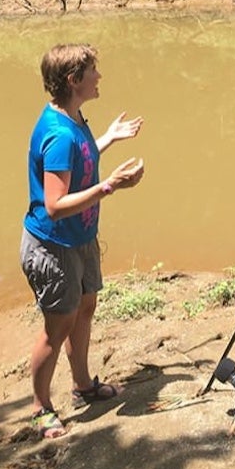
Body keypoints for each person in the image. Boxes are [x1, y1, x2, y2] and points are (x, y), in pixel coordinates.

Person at [20, 43, 144, 438]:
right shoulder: (57, 135)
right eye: (94, 71)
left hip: (81, 238)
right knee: (57, 327)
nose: (99, 77)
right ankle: (40, 408)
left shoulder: (72, 117)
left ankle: (83, 385)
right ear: (75, 80)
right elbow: (55, 205)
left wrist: (106, 137)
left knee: (85, 307)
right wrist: (110, 186)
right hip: (55, 244)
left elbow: (82, 155)